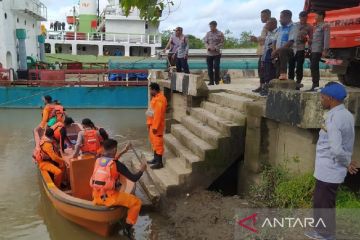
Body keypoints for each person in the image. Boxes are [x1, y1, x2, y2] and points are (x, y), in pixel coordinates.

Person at [305, 82, 355, 240]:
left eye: (322, 96)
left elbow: (336, 149)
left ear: (331, 98)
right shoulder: (346, 114)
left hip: (329, 169)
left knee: (323, 203)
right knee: (325, 202)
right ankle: (324, 232)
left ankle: (325, 234)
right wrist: (347, 162)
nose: (321, 99)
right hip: (332, 169)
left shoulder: (333, 119)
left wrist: (347, 163)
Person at [90, 139, 146, 238]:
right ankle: (127, 228)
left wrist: (124, 150)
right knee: (137, 203)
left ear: (104, 149)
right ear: (115, 149)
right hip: (109, 198)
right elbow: (134, 178)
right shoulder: (118, 165)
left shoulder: (98, 160)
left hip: (96, 195)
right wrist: (142, 170)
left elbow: (112, 160)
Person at [146, 83, 167, 169]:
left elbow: (158, 115)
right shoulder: (155, 98)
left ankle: (159, 162)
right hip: (152, 125)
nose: (150, 91)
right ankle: (155, 159)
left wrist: (155, 127)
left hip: (156, 126)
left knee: (158, 143)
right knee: (154, 142)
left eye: (151, 90)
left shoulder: (160, 100)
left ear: (154, 90)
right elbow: (152, 111)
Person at [307, 11, 330, 91]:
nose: (315, 17)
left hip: (318, 50)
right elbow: (315, 39)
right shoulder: (316, 27)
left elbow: (326, 38)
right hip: (313, 49)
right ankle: (315, 85)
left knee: (314, 66)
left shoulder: (325, 25)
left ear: (321, 16)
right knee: (313, 67)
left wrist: (325, 50)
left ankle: (315, 85)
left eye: (316, 15)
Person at [251, 9, 272, 93]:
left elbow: (268, 39)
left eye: (263, 16)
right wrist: (256, 39)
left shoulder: (270, 25)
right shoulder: (265, 26)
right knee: (261, 69)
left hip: (266, 51)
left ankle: (264, 86)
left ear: (268, 15)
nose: (261, 18)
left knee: (264, 70)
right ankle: (261, 85)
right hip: (262, 51)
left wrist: (256, 39)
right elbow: (263, 37)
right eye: (261, 16)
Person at [291, 11, 313, 89]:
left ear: (307, 18)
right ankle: (291, 82)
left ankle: (298, 83)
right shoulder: (294, 25)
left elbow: (311, 39)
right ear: (299, 17)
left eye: (305, 18)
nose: (303, 19)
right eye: (301, 18)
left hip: (301, 49)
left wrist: (306, 39)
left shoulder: (309, 27)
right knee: (291, 66)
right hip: (292, 49)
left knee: (299, 67)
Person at [272, 10, 295, 80]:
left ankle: (284, 74)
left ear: (288, 18)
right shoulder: (279, 29)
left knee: (282, 50)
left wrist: (278, 50)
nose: (280, 20)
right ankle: (278, 78)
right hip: (279, 52)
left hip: (290, 51)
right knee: (277, 69)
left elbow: (291, 41)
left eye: (281, 18)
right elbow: (274, 41)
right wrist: (274, 51)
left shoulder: (293, 27)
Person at [259, 18, 278, 96]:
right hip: (266, 54)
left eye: (268, 24)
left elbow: (274, 44)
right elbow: (266, 46)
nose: (266, 26)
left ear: (273, 24)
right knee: (266, 73)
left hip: (273, 54)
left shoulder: (277, 32)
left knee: (272, 73)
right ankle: (267, 88)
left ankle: (271, 89)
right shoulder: (269, 33)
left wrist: (274, 56)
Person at [204, 21, 224, 85]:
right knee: (209, 68)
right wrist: (208, 47)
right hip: (209, 54)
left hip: (217, 54)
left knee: (216, 67)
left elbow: (222, 42)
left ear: (215, 26)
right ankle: (211, 81)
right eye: (210, 26)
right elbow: (205, 42)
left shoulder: (220, 33)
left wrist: (216, 47)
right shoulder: (208, 34)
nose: (210, 27)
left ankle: (217, 81)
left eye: (211, 26)